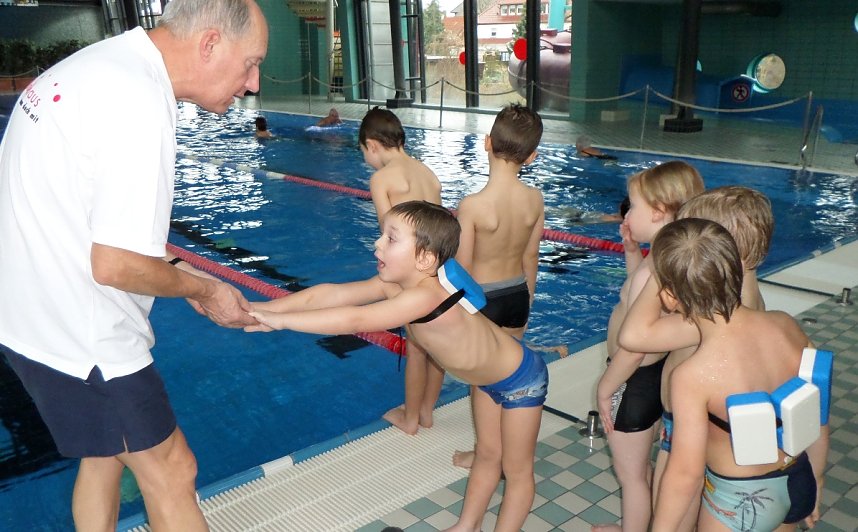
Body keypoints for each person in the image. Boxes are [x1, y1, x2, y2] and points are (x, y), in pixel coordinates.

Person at [0, 1, 268, 530]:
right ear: (210, 44)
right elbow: (116, 265)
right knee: (173, 470)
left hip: (29, 313)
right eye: (251, 62)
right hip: (80, 333)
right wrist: (207, 289)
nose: (254, 83)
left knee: (102, 458)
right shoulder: (138, 100)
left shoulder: (105, 64)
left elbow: (87, 215)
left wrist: (180, 276)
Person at [247, 200, 548, 532]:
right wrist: (264, 309)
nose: (377, 243)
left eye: (391, 238)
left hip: (521, 378)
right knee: (488, 454)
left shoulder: (425, 297)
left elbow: (355, 318)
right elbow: (330, 295)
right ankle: (467, 527)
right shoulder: (400, 286)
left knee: (517, 470)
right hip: (485, 380)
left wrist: (283, 323)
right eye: (382, 235)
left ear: (425, 259)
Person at [642, 218, 825, 531]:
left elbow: (686, 473)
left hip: (741, 499)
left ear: (669, 297)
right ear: (736, 271)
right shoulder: (785, 325)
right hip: (798, 477)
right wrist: (817, 480)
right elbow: (817, 413)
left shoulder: (692, 374)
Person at [618, 186, 775, 531]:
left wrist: (663, 263)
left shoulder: (717, 315)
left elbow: (633, 336)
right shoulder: (749, 298)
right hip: (719, 431)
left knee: (671, 513)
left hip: (691, 435)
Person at [593, 160, 704, 532]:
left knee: (631, 476)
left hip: (632, 377)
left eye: (633, 206)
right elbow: (640, 303)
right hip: (650, 378)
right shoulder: (663, 259)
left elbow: (635, 346)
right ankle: (636, 522)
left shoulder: (657, 268)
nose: (627, 212)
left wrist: (607, 385)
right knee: (640, 468)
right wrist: (629, 251)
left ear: (658, 213)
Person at [447, 103, 546, 469]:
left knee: (483, 379)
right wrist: (528, 298)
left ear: (486, 143)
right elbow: (531, 256)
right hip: (518, 295)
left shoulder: (473, 205)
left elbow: (463, 268)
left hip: (483, 299)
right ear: (532, 156)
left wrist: (459, 313)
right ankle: (509, 445)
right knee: (510, 374)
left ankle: (487, 453)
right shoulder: (534, 200)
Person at [359, 105, 444, 435]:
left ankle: (410, 419)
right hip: (438, 269)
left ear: (373, 145)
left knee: (416, 345)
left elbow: (388, 233)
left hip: (410, 273)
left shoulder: (381, 178)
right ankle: (426, 412)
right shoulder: (427, 173)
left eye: (364, 151)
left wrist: (389, 281)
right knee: (436, 344)